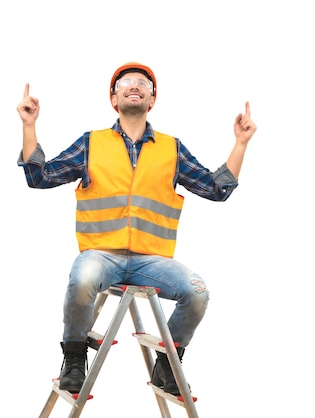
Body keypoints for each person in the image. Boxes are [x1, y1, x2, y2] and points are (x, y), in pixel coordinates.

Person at [16, 62, 257, 395]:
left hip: (151, 262)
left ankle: (167, 364)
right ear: (114, 99)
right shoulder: (92, 144)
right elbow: (39, 177)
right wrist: (29, 125)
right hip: (102, 255)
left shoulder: (172, 149)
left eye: (143, 83)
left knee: (197, 293)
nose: (135, 86)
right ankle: (73, 359)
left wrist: (241, 143)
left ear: (152, 100)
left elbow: (217, 189)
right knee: (82, 278)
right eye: (126, 82)